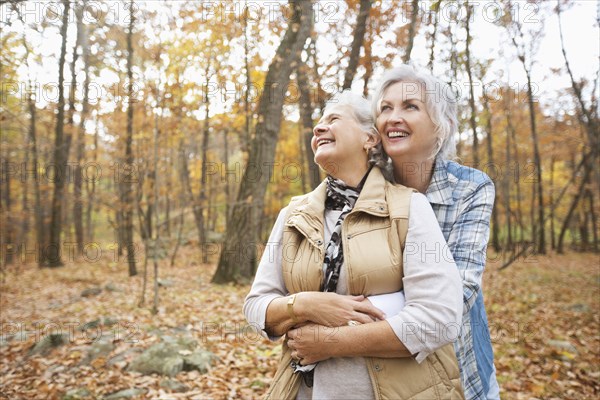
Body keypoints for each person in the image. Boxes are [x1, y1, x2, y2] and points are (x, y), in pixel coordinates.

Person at [244, 91, 465, 399]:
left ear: (370, 138)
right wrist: (304, 305)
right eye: (318, 124)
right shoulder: (293, 215)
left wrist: (332, 342)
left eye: (333, 119)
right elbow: (256, 307)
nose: (318, 129)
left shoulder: (408, 207)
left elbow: (438, 319)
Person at [371, 64, 500, 400]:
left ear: (441, 126)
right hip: (382, 375)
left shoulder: (471, 188)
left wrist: (365, 319)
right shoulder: (365, 188)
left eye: (410, 106)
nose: (393, 118)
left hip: (459, 370)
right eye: (386, 108)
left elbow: (458, 295)